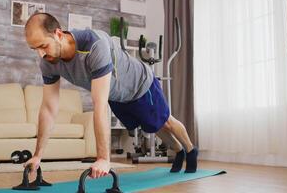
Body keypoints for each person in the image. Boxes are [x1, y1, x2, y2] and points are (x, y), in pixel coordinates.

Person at [24, 12, 198, 179]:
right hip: (118, 96)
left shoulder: (93, 45)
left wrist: (103, 158)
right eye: (34, 49)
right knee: (153, 126)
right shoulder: (48, 62)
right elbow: (48, 108)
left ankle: (190, 150)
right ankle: (178, 151)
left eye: (43, 46)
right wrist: (37, 155)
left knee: (166, 121)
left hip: (140, 85)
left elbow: (99, 104)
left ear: (58, 34)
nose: (40, 54)